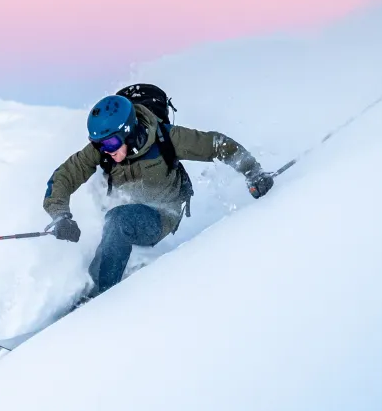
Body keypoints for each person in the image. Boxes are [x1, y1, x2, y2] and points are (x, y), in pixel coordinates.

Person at [43, 92, 274, 297]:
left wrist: (253, 172)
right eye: (99, 144)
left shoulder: (167, 138)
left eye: (111, 142)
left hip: (162, 214)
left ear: (129, 131)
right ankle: (97, 280)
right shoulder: (106, 149)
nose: (106, 150)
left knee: (117, 221)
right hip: (126, 209)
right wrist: (60, 214)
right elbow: (65, 175)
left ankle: (99, 298)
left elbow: (216, 144)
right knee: (113, 217)